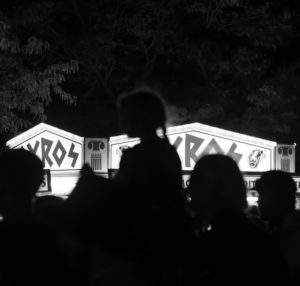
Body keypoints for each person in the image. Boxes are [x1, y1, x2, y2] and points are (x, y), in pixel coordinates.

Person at [114, 87, 192, 286]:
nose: (120, 122)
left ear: (138, 118)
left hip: (144, 246)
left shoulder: (136, 156)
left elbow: (119, 196)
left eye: (124, 116)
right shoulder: (167, 151)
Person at [187, 154, 289, 285]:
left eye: (195, 181)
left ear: (218, 187)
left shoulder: (217, 246)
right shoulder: (255, 239)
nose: (189, 189)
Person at [256, 170, 300, 285]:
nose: (258, 202)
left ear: (277, 197)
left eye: (263, 195)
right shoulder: (282, 230)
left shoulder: (292, 238)